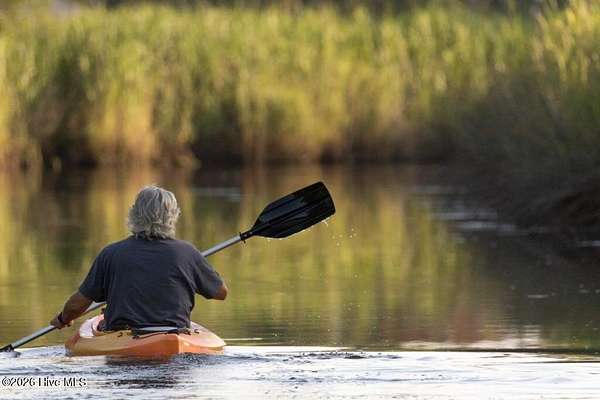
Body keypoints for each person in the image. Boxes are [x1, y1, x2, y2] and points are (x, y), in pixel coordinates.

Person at [50, 185, 228, 331]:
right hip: (174, 334)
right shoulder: (188, 253)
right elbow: (221, 293)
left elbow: (77, 305)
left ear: (134, 213)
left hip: (124, 338)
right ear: (173, 216)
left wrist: (63, 318)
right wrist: (196, 270)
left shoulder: (111, 253)